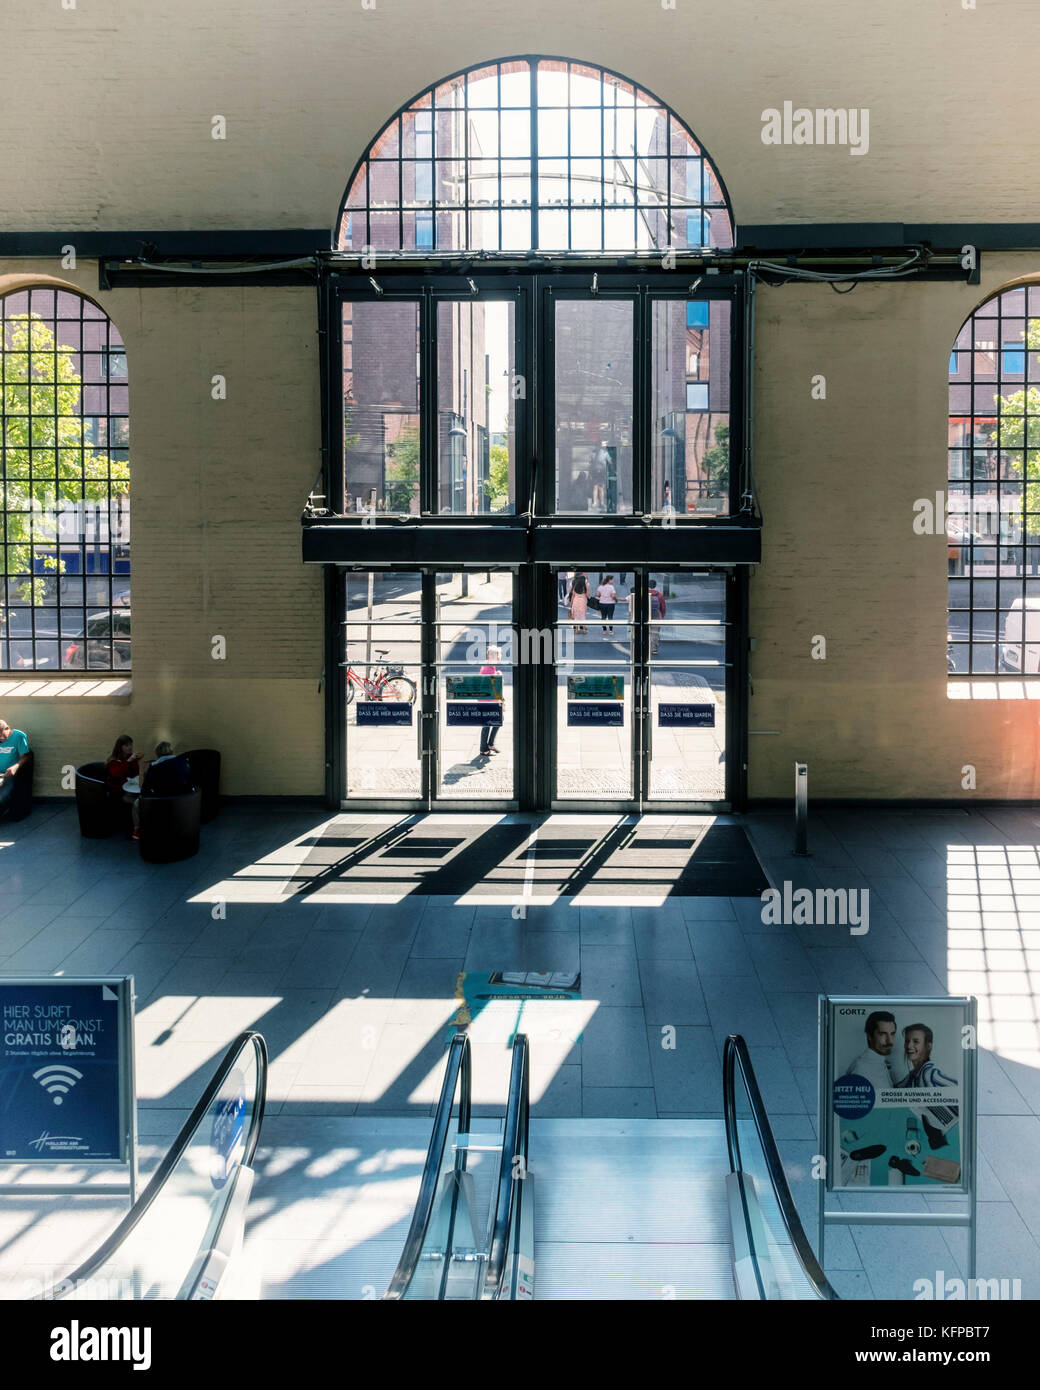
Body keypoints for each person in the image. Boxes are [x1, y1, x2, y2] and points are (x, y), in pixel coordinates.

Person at [844, 1010, 899, 1091]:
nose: (889, 1041)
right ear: (869, 1036)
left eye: (892, 1034)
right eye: (882, 1034)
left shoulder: (879, 1060)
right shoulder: (861, 1070)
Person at [896, 1024, 957, 1089]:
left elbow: (956, 1088)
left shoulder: (930, 1074)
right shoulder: (911, 1076)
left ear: (928, 1046)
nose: (909, 1046)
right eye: (907, 1041)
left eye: (916, 1041)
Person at [106, 734, 141, 835]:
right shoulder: (113, 761)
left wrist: (135, 762)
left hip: (129, 789)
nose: (130, 747)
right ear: (120, 747)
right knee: (137, 802)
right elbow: (116, 774)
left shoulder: (130, 757)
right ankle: (136, 829)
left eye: (130, 744)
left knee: (144, 799)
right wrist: (129, 761)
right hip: (117, 792)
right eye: (126, 745)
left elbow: (135, 774)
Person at [478, 646, 504, 759]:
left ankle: (489, 744)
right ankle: (484, 748)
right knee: (492, 721)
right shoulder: (489, 669)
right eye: (499, 655)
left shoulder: (488, 666)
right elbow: (493, 688)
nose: (500, 657)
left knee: (492, 721)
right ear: (495, 656)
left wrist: (497, 674)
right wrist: (500, 701)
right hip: (488, 700)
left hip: (485, 700)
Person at [0, 719, 30, 814]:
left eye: (1, 736)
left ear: (7, 728)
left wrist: (15, 767)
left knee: (2, 797)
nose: (0, 739)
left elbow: (26, 757)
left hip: (9, 775)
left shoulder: (19, 736)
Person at [648, 578, 667, 656]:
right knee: (655, 633)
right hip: (656, 617)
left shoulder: (643, 594)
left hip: (646, 617)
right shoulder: (659, 595)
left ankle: (645, 648)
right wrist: (662, 616)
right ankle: (654, 649)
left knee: (646, 633)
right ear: (655, 585)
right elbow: (663, 607)